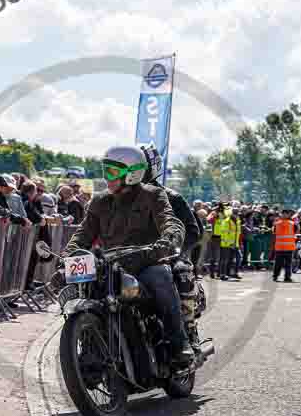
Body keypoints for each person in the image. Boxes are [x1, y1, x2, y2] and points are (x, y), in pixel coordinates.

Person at [62, 145, 192, 365]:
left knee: (160, 278)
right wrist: (67, 255)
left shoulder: (153, 195)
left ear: (132, 173)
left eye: (112, 172)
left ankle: (178, 343)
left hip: (147, 261)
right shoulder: (100, 201)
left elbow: (169, 221)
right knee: (87, 293)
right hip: (110, 264)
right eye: (105, 171)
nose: (107, 178)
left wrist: (169, 239)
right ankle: (92, 347)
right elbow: (83, 233)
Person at [216, 208, 241, 281]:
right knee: (224, 260)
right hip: (226, 244)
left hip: (234, 244)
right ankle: (222, 274)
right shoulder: (226, 221)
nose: (236, 214)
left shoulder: (237, 221)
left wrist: (235, 243)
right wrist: (230, 243)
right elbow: (224, 233)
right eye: (235, 213)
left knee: (232, 260)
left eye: (237, 213)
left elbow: (237, 234)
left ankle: (228, 273)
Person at [272, 208, 296, 282]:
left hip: (280, 247)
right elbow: (296, 232)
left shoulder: (276, 223)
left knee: (278, 263)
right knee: (288, 264)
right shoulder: (292, 223)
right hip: (289, 247)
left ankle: (275, 276)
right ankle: (287, 277)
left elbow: (273, 232)